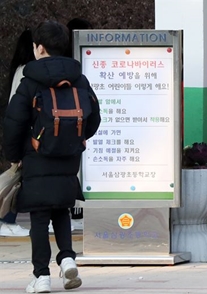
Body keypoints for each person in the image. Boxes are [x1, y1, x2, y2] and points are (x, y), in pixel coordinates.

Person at [4, 20, 102, 293]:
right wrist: (75, 140)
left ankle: (41, 276)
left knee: (39, 217)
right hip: (69, 158)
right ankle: (68, 258)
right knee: (61, 208)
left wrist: (14, 155)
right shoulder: (79, 79)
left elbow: (14, 122)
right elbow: (94, 117)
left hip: (36, 158)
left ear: (39, 48)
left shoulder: (29, 82)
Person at [0, 28, 34, 237]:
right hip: (25, 133)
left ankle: (7, 219)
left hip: (19, 132)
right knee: (18, 182)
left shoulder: (19, 69)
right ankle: (6, 219)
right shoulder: (28, 71)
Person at [64, 17, 94, 231]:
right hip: (82, 123)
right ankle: (78, 211)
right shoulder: (83, 63)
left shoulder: (62, 63)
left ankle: (73, 212)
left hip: (63, 125)